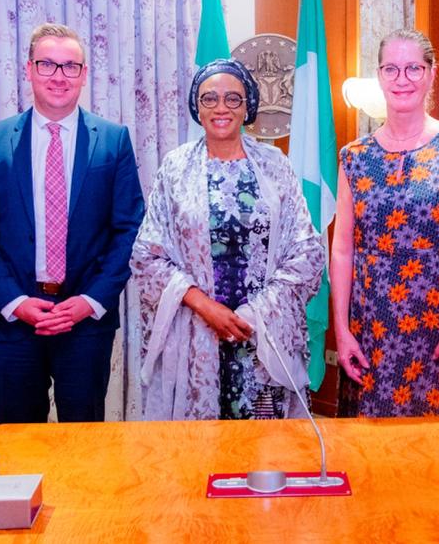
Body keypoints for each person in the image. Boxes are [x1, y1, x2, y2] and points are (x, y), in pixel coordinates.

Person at [0, 23, 144, 424]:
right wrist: (14, 301)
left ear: (83, 74)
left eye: (70, 66)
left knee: (83, 448)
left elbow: (130, 229)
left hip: (85, 322)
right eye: (47, 65)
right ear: (29, 69)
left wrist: (90, 301)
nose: (58, 76)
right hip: (15, 322)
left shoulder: (113, 140)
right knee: (19, 448)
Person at [133, 59, 324, 420]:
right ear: (196, 107)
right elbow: (148, 256)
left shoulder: (274, 165)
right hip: (193, 337)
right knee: (197, 459)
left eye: (233, 99)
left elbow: (306, 252)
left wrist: (255, 312)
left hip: (262, 337)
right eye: (210, 99)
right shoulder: (175, 168)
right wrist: (207, 307)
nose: (221, 108)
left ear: (248, 106)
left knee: (262, 455)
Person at [331, 29, 439, 417]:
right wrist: (342, 330)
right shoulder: (353, 156)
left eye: (413, 68)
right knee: (369, 457)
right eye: (391, 69)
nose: (402, 79)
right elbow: (341, 248)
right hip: (371, 332)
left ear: (432, 73)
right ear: (380, 76)